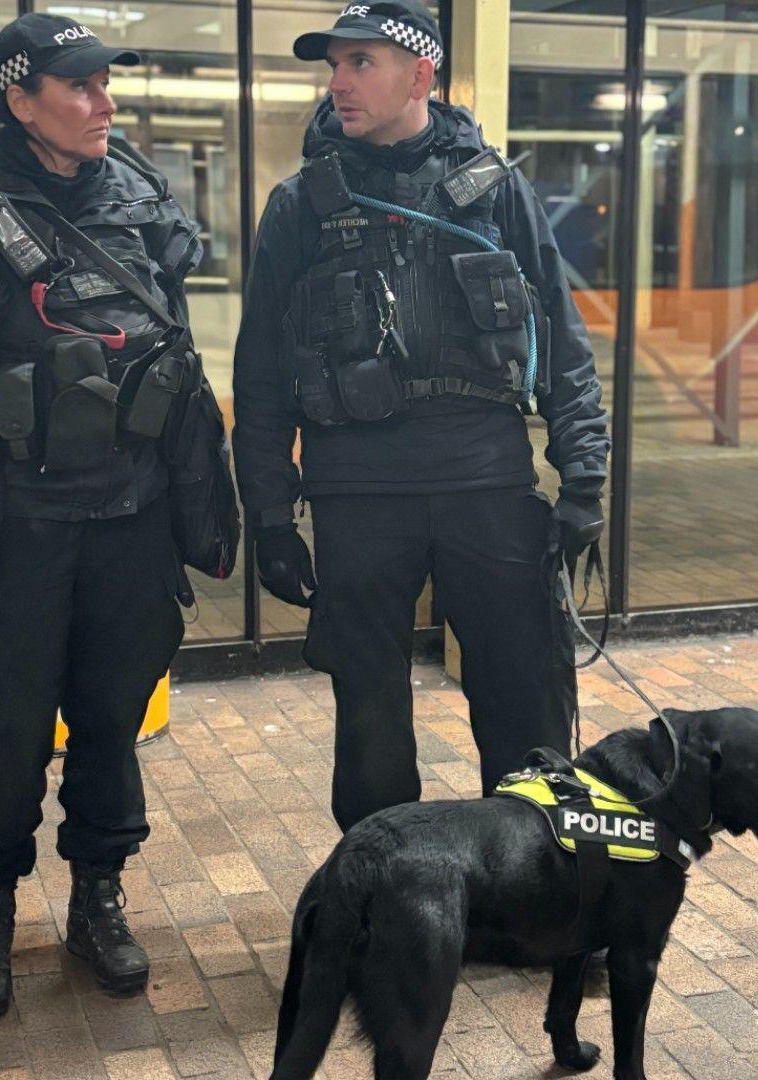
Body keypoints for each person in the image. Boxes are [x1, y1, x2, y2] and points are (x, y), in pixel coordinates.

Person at [0, 13, 217, 1016]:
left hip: (132, 516)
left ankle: (98, 896)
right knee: (10, 729)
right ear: (19, 100)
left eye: (109, 83)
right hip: (12, 523)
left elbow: (178, 363)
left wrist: (206, 496)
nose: (106, 102)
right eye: (81, 85)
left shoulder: (142, 203)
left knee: (110, 721)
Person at [232, 1, 611, 832]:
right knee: (369, 716)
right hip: (357, 495)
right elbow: (259, 375)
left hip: (488, 484)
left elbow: (560, 335)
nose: (338, 84)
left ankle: (536, 886)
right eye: (333, 65)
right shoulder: (300, 206)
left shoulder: (492, 189)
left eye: (360, 63)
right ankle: (379, 892)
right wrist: (268, 517)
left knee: (524, 702)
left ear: (421, 75)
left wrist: (585, 477)